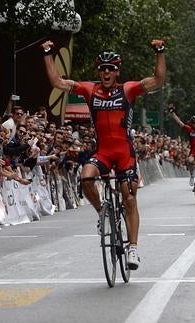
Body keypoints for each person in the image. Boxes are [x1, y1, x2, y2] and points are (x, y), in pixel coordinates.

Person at [41, 38, 166, 270]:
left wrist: (159, 51)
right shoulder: (90, 90)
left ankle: (133, 249)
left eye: (111, 69)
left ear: (117, 72)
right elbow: (57, 82)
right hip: (103, 152)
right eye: (102, 69)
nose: (106, 72)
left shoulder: (127, 90)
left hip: (124, 152)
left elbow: (158, 80)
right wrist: (48, 54)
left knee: (129, 197)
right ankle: (102, 213)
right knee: (85, 177)